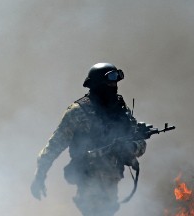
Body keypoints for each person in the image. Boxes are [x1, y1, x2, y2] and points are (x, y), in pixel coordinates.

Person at [30, 63, 147, 216]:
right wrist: (40, 175)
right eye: (110, 82)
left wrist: (130, 148)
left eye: (116, 82)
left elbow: (140, 142)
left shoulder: (119, 109)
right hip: (88, 182)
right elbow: (54, 146)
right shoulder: (78, 113)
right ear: (98, 84)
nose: (115, 85)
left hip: (112, 182)